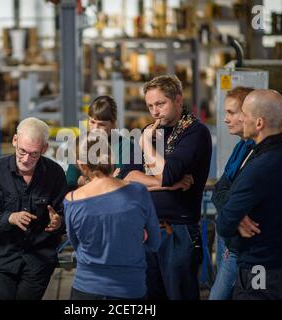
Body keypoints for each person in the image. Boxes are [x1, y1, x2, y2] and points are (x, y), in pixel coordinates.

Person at [122, 75, 212, 300]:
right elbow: (125, 178)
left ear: (178, 100)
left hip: (178, 229)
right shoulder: (151, 131)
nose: (154, 111)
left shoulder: (195, 132)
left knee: (178, 294)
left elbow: (169, 174)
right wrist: (165, 185)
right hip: (146, 229)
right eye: (150, 106)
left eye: (160, 104)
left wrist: (146, 147)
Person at [216, 89, 282, 300]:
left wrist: (235, 217)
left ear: (258, 123)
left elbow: (224, 223)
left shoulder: (259, 167)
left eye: (244, 114)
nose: (239, 119)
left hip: (259, 270)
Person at [64, 133, 161, 300]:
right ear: (110, 156)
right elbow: (154, 242)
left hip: (87, 289)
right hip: (130, 289)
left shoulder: (72, 200)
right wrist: (128, 248)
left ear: (81, 165)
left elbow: (76, 243)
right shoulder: (138, 192)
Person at [0, 117, 68, 300]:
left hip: (39, 260)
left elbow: (65, 214)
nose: (26, 159)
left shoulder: (55, 174)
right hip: (2, 259)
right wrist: (8, 218)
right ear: (15, 140)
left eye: (34, 154)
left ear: (44, 149)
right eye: (22, 151)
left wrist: (59, 221)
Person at [209, 87, 255, 300]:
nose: (226, 119)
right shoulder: (241, 147)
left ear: (249, 114)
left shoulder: (260, 152)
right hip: (229, 235)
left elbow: (237, 196)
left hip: (242, 242)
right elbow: (220, 189)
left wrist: (232, 210)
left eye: (231, 112)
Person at [65, 95, 136, 190]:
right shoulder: (80, 143)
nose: (95, 129)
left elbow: (119, 181)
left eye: (102, 124)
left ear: (114, 124)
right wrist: (108, 178)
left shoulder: (125, 146)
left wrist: (84, 180)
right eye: (92, 122)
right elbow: (70, 182)